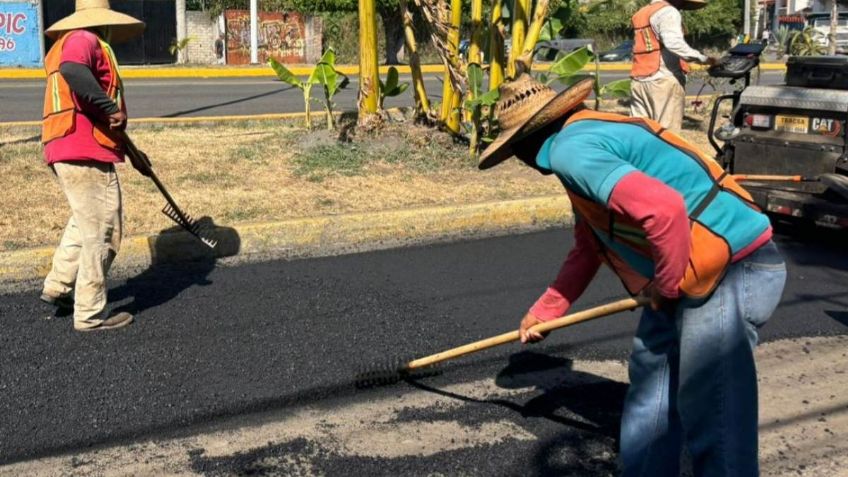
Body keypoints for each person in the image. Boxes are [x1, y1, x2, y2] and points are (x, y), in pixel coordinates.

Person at [478, 74, 787, 476]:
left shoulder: (572, 151)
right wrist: (547, 310)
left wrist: (667, 284)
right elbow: (590, 244)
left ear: (525, 144)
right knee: (650, 384)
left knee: (712, 404)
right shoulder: (585, 138)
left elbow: (664, 210)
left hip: (730, 267)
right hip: (688, 268)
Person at [39, 0, 145, 331]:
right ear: (105, 20)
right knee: (103, 230)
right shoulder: (84, 38)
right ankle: (89, 314)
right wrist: (109, 107)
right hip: (85, 148)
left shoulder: (65, 42)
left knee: (83, 222)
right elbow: (75, 72)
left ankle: (59, 284)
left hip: (65, 143)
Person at [630, 0, 717, 132]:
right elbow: (674, 44)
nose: (682, 6)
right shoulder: (668, 11)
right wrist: (704, 59)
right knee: (667, 135)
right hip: (663, 81)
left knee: (639, 132)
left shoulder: (641, 13)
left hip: (639, 80)